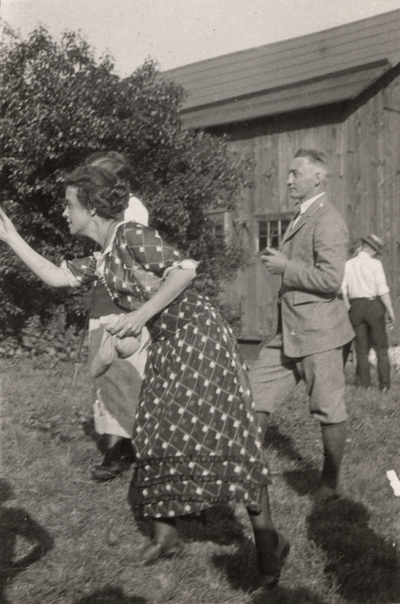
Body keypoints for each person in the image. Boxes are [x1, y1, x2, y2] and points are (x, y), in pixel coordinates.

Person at [0, 164, 289, 587]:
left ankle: (267, 549)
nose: (64, 212)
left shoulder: (131, 234)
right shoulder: (103, 258)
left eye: (68, 204)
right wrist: (10, 237)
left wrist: (137, 317)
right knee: (154, 433)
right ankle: (170, 535)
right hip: (170, 344)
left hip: (201, 339)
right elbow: (57, 276)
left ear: (92, 207)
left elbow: (184, 271)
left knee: (223, 436)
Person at [251, 148, 354, 501]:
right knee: (252, 395)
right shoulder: (301, 216)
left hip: (320, 333)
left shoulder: (328, 220)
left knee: (328, 408)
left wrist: (286, 267)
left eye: (296, 173)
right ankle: (248, 470)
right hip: (289, 332)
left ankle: (330, 482)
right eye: (288, 174)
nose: (289, 180)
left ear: (318, 179)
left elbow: (331, 280)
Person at [83, 151, 150, 482]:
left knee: (122, 373)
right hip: (104, 298)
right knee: (108, 377)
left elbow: (127, 256)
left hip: (124, 301)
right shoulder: (101, 208)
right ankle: (118, 448)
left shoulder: (133, 210)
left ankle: (122, 450)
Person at [342, 234, 395, 391]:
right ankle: (384, 385)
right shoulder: (375, 264)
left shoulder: (348, 264)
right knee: (381, 349)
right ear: (371, 249)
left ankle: (365, 385)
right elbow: (382, 290)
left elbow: (342, 290)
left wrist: (348, 308)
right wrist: (391, 311)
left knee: (361, 350)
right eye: (375, 251)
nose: (375, 254)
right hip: (373, 305)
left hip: (355, 307)